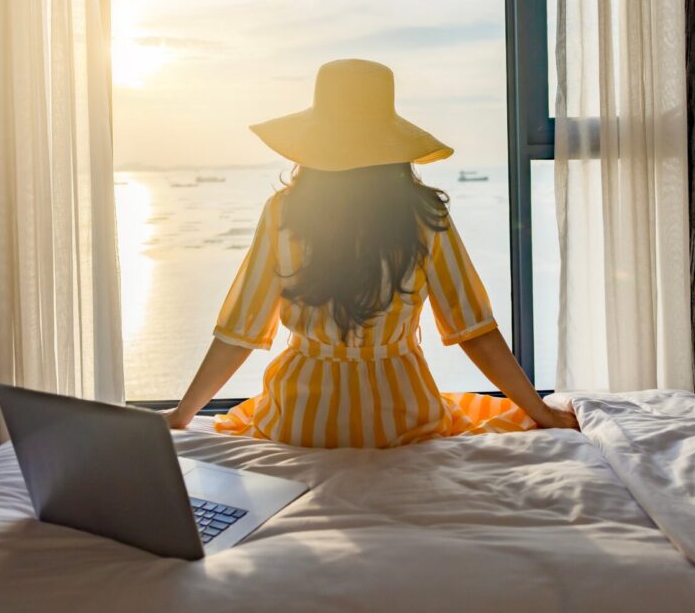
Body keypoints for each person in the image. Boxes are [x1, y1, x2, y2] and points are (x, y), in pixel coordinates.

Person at [161, 59, 578, 447]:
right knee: (487, 414)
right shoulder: (423, 215)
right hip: (401, 415)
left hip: (301, 419)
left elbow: (239, 331)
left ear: (315, 141)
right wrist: (539, 410)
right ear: (391, 144)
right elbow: (475, 331)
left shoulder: (284, 213)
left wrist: (183, 414)